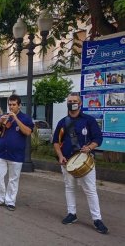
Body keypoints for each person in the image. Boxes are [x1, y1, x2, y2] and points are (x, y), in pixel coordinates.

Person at [53, 92, 108, 234]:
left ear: (80, 103)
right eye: (69, 101)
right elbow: (55, 142)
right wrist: (60, 156)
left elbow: (98, 138)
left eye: (74, 101)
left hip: (85, 161)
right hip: (67, 162)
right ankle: (72, 214)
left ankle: (97, 219)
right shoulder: (62, 122)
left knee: (90, 191)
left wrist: (89, 147)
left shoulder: (89, 120)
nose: (71, 103)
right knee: (69, 188)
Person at [0, 94, 34, 211]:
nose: (11, 107)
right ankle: (0, 198)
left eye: (14, 105)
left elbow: (28, 132)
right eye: (10, 104)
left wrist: (16, 119)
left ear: (19, 106)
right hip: (0, 153)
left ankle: (10, 201)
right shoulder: (3, 116)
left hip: (16, 155)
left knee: (13, 179)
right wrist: (0, 122)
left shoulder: (25, 118)